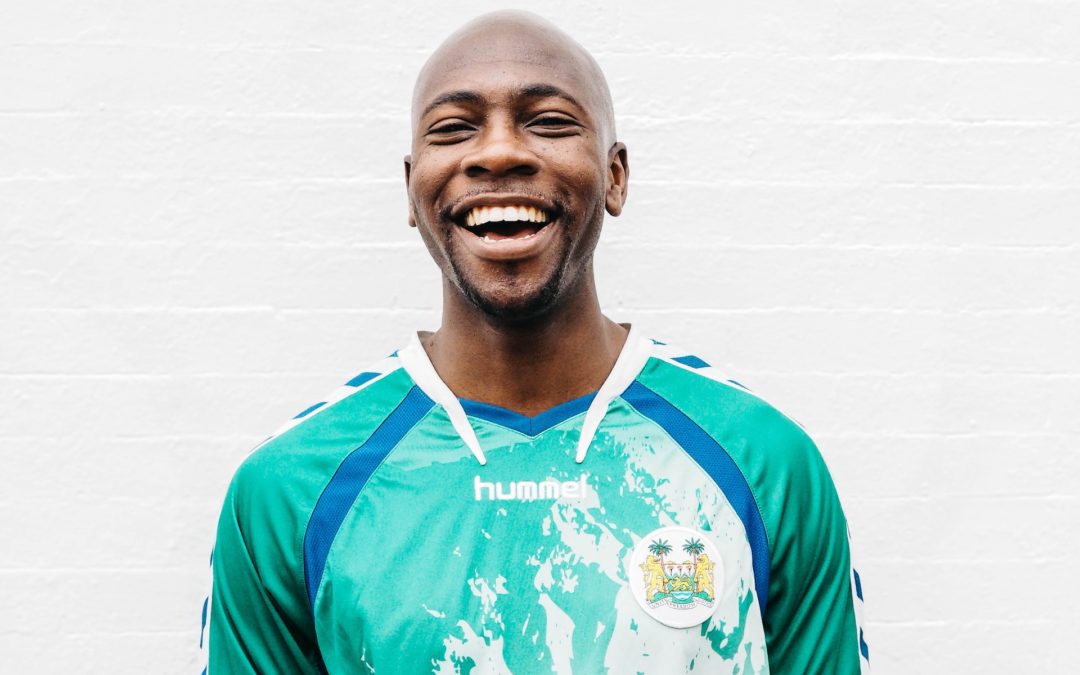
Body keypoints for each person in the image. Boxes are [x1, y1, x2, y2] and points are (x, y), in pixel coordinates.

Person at [200, 10, 870, 674]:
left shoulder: (764, 463)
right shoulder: (289, 490)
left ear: (615, 175)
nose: (497, 153)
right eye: (454, 128)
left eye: (548, 121)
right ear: (411, 187)